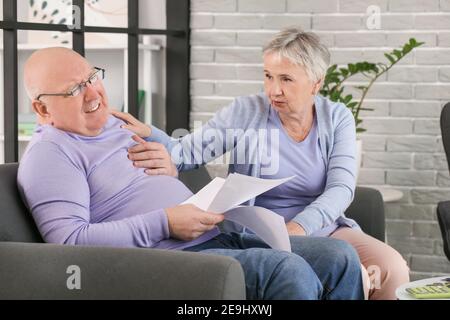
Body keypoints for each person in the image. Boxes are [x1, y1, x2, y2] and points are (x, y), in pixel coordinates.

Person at [17, 47, 365, 300]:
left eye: (92, 77)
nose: (93, 93)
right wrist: (166, 221)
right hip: (169, 258)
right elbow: (69, 244)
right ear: (41, 108)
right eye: (75, 89)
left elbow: (178, 156)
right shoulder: (51, 154)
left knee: (338, 257)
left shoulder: (114, 123)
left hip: (213, 236)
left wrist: (158, 144)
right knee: (286, 270)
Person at [115, 27, 410, 300]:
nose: (273, 90)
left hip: (322, 227)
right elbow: (188, 153)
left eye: (286, 79)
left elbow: (342, 188)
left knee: (393, 270)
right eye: (268, 76)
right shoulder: (247, 111)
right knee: (348, 270)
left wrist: (299, 227)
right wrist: (151, 133)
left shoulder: (337, 118)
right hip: (260, 234)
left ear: (316, 83)